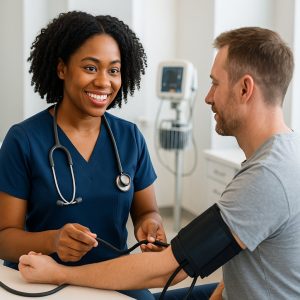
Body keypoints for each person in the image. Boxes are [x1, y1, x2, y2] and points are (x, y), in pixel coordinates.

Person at [18, 26, 300, 300]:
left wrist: (59, 273)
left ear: (244, 89)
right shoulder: (283, 155)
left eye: (215, 83)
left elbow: (171, 267)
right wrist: (225, 288)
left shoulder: (267, 177)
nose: (207, 97)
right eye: (90, 67)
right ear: (62, 69)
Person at [0, 11, 167, 299]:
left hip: (111, 277)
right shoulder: (24, 139)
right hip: (42, 280)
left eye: (113, 70)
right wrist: (53, 241)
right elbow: (3, 237)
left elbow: (146, 212)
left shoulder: (129, 138)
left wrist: (149, 225)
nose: (104, 82)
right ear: (62, 69)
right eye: (90, 68)